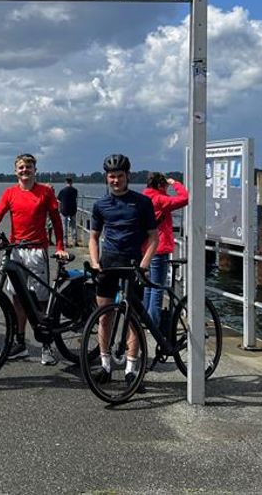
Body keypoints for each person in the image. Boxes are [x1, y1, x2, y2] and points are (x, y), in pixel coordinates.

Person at [0, 153, 67, 365]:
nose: (25, 170)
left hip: (37, 250)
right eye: (21, 167)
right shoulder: (10, 193)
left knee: (41, 298)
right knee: (18, 297)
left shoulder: (45, 192)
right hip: (16, 250)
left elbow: (56, 221)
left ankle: (46, 344)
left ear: (35, 169)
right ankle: (20, 343)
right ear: (15, 171)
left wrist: (61, 246)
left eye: (28, 167)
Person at [88, 153, 158, 390]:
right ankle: (106, 364)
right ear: (106, 178)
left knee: (133, 318)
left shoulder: (142, 202)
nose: (115, 181)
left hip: (133, 264)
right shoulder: (101, 205)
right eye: (111, 177)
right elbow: (94, 237)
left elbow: (153, 237)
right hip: (108, 263)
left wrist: (145, 264)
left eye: (119, 176)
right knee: (104, 315)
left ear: (128, 176)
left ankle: (131, 368)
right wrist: (95, 261)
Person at [142, 172, 189, 332]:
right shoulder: (160, 199)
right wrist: (176, 183)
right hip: (159, 248)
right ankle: (153, 325)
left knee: (148, 286)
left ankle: (144, 320)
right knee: (158, 288)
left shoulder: (144, 197)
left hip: (146, 247)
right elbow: (184, 198)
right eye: (166, 186)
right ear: (160, 185)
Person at [57, 177, 80, 247]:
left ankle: (65, 242)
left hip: (64, 210)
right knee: (73, 225)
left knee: (64, 226)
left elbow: (59, 201)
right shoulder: (75, 190)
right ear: (72, 182)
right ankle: (74, 240)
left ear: (66, 182)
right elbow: (76, 199)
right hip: (73, 209)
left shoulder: (62, 191)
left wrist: (59, 209)